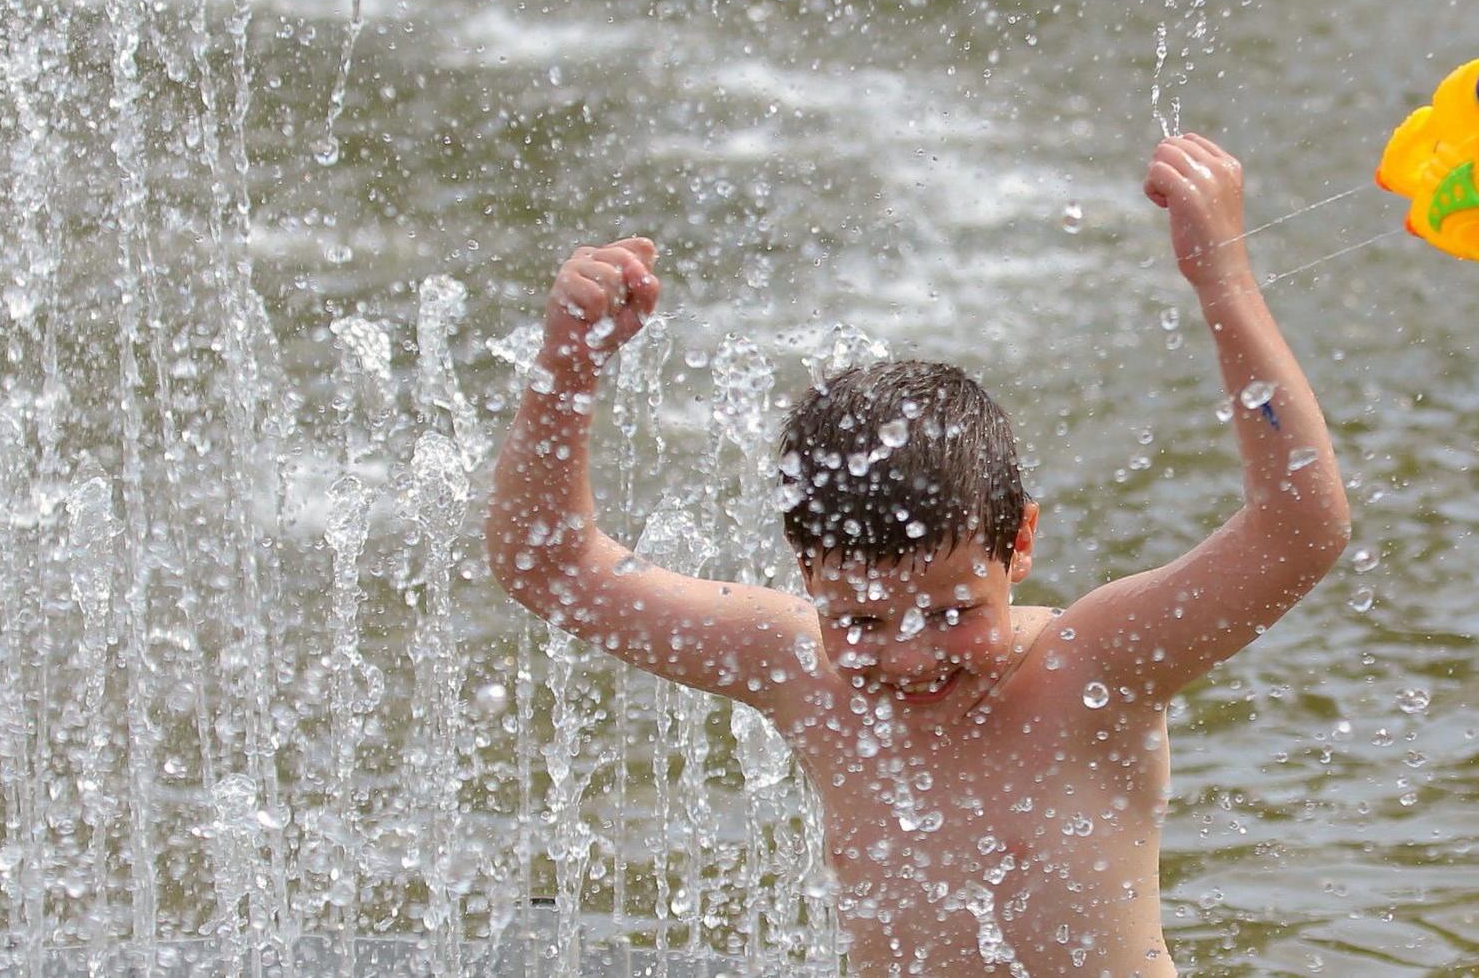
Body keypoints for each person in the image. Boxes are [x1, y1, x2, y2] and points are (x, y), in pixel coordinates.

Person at [486, 134, 1351, 975]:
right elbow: (549, 568)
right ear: (806, 576)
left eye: (950, 612)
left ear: (1019, 547)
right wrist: (569, 362)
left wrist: (1225, 279)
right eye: (859, 617)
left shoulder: (1096, 664)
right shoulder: (795, 665)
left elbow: (1300, 529)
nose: (908, 656)